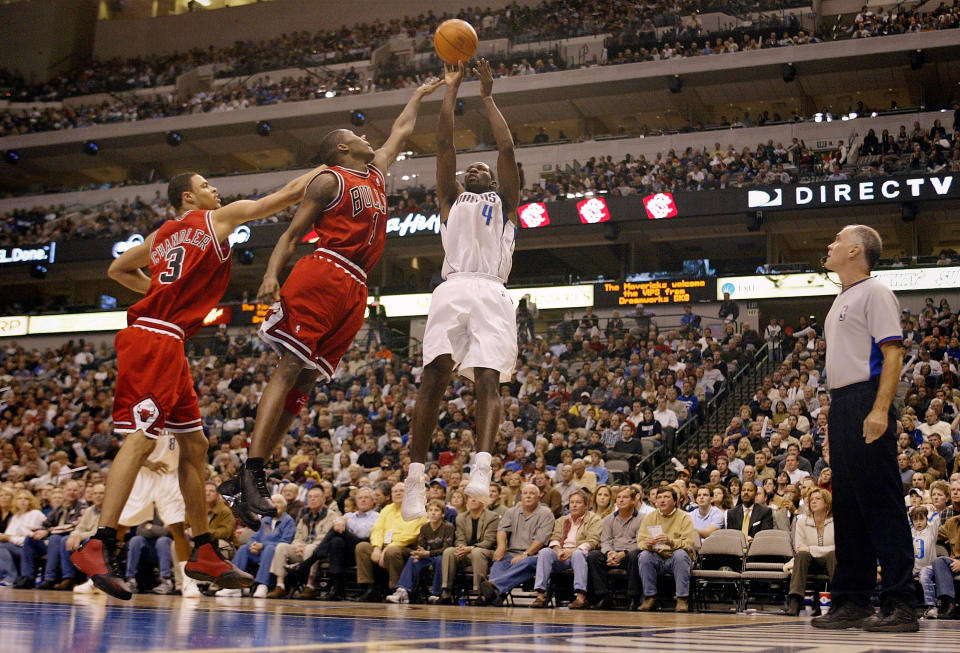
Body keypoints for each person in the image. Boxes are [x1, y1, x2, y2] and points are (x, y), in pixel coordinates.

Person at [70, 164, 327, 599]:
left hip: (166, 337)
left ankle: (204, 550)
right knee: (141, 440)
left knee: (196, 445)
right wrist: (328, 170)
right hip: (155, 336)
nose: (215, 189)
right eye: (206, 185)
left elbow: (117, 269)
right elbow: (282, 197)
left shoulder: (161, 236)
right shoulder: (214, 220)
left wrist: (157, 290)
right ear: (188, 198)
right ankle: (100, 543)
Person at [230, 77, 442, 520]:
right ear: (342, 150)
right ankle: (251, 470)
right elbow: (291, 234)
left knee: (307, 380)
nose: (365, 138)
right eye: (354, 136)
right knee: (290, 366)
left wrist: (420, 94)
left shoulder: (377, 172)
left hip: (356, 285)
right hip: (324, 271)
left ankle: (249, 477)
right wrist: (271, 273)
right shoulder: (330, 179)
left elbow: (401, 130)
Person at [401, 60, 521, 521]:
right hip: (452, 289)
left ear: (493, 182)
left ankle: (483, 466)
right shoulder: (450, 201)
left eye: (482, 169)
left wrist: (488, 98)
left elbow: (507, 148)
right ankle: (414, 478)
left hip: (492, 290)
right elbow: (444, 144)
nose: (475, 167)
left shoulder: (505, 204)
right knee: (434, 378)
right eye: (468, 169)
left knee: (489, 379)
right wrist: (451, 90)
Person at [814, 224, 917, 632]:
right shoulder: (841, 297)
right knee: (850, 508)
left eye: (836, 239)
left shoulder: (875, 292)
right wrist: (832, 420)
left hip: (866, 398)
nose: (829, 244)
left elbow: (892, 353)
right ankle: (851, 600)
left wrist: (880, 409)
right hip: (842, 403)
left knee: (881, 503)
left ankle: (901, 602)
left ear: (855, 250)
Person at [116, 430, 196, 597]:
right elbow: (127, 441)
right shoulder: (143, 406)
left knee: (178, 528)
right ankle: (100, 576)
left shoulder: (181, 409)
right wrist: (145, 461)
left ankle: (189, 582)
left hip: (170, 474)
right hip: (144, 474)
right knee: (121, 526)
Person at [478, 483, 554, 606]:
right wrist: (501, 547)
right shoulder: (511, 512)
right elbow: (502, 530)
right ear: (521, 497)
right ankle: (495, 596)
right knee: (499, 562)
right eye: (525, 493)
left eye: (532, 493)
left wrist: (526, 554)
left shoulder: (546, 513)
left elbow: (541, 539)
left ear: (539, 497)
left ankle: (493, 585)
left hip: (535, 556)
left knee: (526, 563)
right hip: (512, 553)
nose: (528, 496)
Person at [530, 489, 602, 609]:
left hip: (580, 554)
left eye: (578, 502)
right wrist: (558, 551)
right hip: (561, 554)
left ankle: (580, 597)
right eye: (572, 502)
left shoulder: (594, 519)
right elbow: (554, 538)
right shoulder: (562, 520)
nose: (574, 505)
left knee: (579, 554)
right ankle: (541, 595)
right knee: (545, 552)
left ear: (586, 505)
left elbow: (592, 541)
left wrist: (572, 551)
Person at [217, 494, 295, 597]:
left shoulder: (288, 521)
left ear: (284, 506)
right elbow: (255, 536)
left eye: (278, 503)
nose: (275, 505)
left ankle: (262, 585)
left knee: (270, 549)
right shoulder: (265, 519)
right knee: (244, 548)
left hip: (274, 554)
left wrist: (262, 545)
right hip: (258, 551)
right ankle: (234, 585)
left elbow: (286, 541)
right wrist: (252, 545)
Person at [266, 486, 338, 598]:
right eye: (309, 497)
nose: (312, 499)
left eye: (316, 497)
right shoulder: (305, 517)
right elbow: (297, 537)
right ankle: (280, 585)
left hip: (320, 552)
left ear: (324, 499)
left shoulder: (331, 515)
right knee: (281, 547)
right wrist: (298, 546)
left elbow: (325, 537)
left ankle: (310, 586)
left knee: (310, 549)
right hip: (301, 550)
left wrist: (306, 546)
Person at [636, 486, 695, 612]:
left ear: (675, 501)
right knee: (644, 556)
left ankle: (682, 599)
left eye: (666, 497)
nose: (662, 500)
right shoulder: (650, 517)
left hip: (676, 558)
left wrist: (670, 542)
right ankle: (650, 597)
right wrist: (648, 544)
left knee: (680, 555)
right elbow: (640, 542)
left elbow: (689, 543)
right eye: (659, 498)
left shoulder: (685, 517)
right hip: (657, 556)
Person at [385, 499, 455, 603]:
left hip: (441, 556)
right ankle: (403, 591)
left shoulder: (448, 527)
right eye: (430, 510)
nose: (433, 513)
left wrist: (427, 553)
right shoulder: (424, 528)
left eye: (436, 510)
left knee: (441, 559)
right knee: (414, 558)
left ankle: (436, 593)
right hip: (429, 556)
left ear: (443, 514)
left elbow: (446, 549)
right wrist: (419, 553)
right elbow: (422, 546)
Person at [586, 486, 644, 609]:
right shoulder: (609, 519)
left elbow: (640, 542)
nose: (621, 500)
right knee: (593, 556)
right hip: (612, 554)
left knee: (636, 557)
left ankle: (634, 598)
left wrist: (623, 553)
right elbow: (605, 540)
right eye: (618, 497)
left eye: (625, 497)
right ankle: (603, 596)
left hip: (629, 554)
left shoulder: (642, 518)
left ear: (633, 501)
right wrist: (609, 553)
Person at [438, 495, 500, 603]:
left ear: (483, 501)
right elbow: (459, 538)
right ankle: (446, 592)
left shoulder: (492, 517)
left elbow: (489, 542)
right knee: (448, 552)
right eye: (470, 498)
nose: (473, 499)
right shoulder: (461, 517)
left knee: (476, 552)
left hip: (486, 552)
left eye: (476, 497)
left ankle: (480, 593)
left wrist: (470, 548)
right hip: (466, 552)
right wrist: (461, 548)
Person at [787, 488, 836, 615]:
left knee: (833, 555)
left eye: (818, 499)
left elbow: (838, 548)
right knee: (802, 555)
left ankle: (838, 600)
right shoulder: (802, 520)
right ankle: (795, 601)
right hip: (809, 564)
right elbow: (799, 547)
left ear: (826, 503)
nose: (813, 502)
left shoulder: (836, 522)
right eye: (811, 499)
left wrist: (811, 549)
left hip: (831, 563)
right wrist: (810, 550)